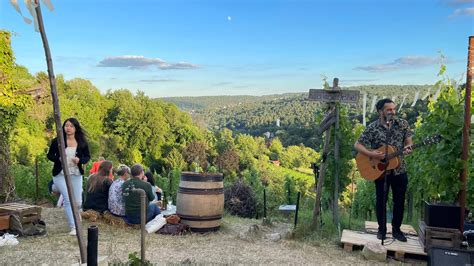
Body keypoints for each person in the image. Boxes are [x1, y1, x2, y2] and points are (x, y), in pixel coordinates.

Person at [354, 98, 413, 242]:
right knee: (381, 200)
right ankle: (382, 230)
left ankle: (397, 231)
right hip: (380, 171)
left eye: (393, 109)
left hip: (399, 169)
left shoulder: (402, 124)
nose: (392, 112)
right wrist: (371, 154)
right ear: (380, 111)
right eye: (389, 109)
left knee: (399, 201)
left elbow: (409, 141)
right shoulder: (373, 127)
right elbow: (358, 144)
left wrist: (408, 148)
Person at [47, 118, 91, 236]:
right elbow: (50, 155)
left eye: (71, 126)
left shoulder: (82, 142)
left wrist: (80, 160)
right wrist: (58, 159)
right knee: (68, 199)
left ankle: (55, 188)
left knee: (77, 202)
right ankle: (74, 226)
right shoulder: (58, 141)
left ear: (76, 128)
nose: (68, 128)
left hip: (76, 173)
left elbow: (87, 157)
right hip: (60, 174)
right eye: (66, 125)